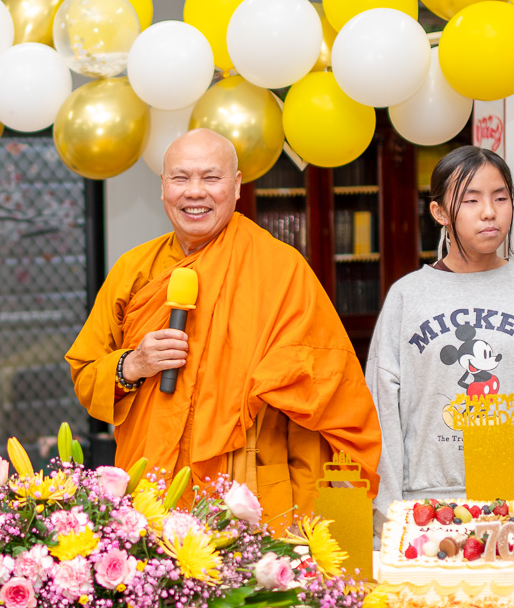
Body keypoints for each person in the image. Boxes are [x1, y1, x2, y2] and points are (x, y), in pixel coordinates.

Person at [65, 129, 379, 523]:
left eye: (211, 177)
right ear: (163, 187)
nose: (195, 192)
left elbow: (329, 389)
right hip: (150, 486)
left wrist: (271, 379)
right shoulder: (134, 270)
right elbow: (85, 374)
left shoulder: (281, 270)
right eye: (181, 178)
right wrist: (132, 365)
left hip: (249, 488)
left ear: (236, 186)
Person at [367, 146, 514, 530]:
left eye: (501, 198)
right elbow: (381, 410)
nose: (489, 212)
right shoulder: (408, 296)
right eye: (471, 200)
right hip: (429, 508)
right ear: (439, 212)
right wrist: (388, 516)